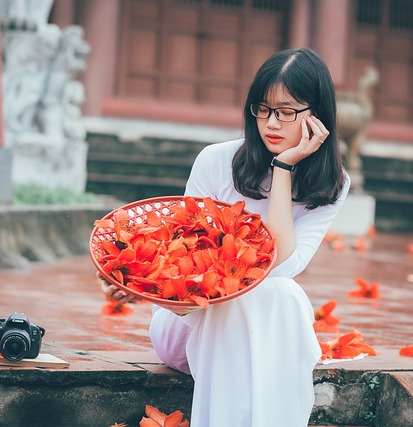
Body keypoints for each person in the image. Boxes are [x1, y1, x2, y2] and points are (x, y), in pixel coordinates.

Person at [100, 47, 350, 427]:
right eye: (262, 109)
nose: (271, 123)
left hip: (258, 320)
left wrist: (283, 169)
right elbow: (177, 255)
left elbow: (281, 265)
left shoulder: (332, 184)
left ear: (317, 116)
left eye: (286, 112)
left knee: (282, 292)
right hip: (186, 320)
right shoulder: (216, 161)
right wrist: (131, 285)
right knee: (269, 297)